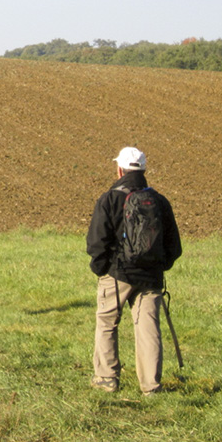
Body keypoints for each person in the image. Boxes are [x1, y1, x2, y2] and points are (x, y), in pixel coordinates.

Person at [86, 146, 182, 396]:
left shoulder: (109, 199)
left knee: (107, 323)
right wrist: (159, 266)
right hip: (151, 277)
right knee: (148, 329)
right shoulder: (159, 201)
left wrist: (102, 269)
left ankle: (106, 379)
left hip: (117, 275)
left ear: (119, 170)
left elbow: (96, 242)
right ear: (144, 170)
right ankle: (151, 387)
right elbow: (174, 246)